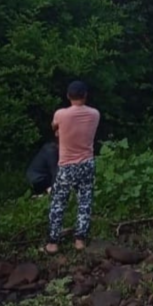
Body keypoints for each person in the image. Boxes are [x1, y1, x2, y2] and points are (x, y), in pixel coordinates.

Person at [45, 81, 100, 254]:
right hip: (87, 163)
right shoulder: (95, 114)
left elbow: (54, 127)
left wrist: (60, 132)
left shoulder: (60, 114)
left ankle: (53, 243)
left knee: (58, 201)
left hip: (67, 165)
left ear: (68, 96)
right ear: (85, 95)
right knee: (84, 201)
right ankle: (80, 240)